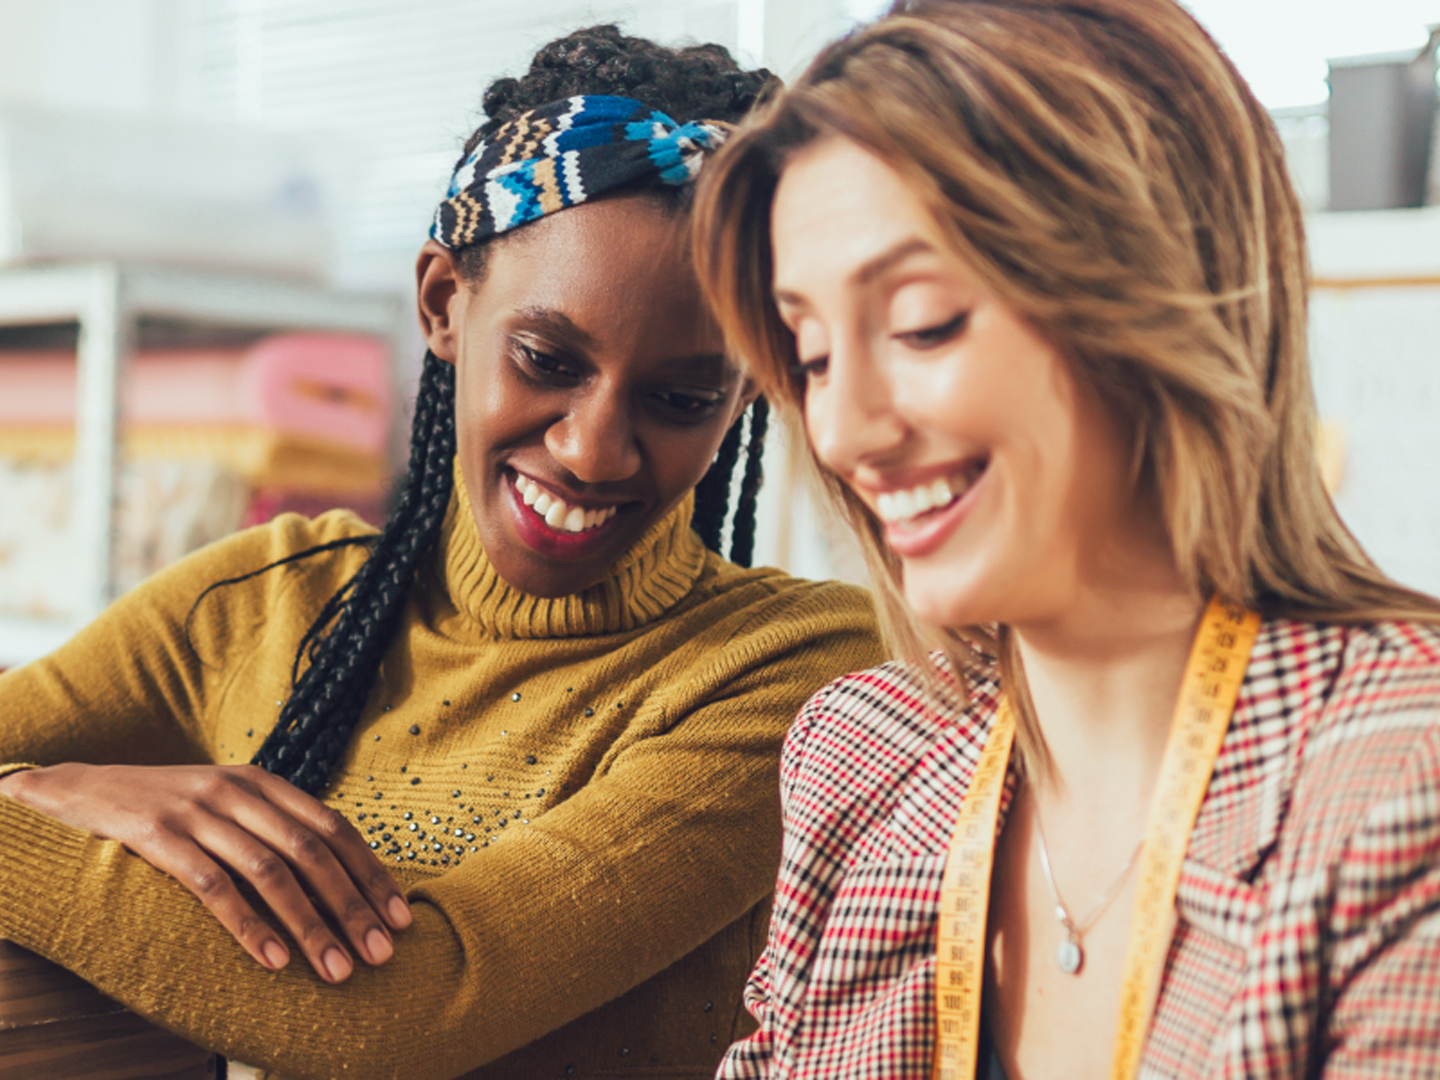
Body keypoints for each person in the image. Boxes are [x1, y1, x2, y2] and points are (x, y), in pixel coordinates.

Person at [0, 25, 882, 1080]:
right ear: (441, 306)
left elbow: (410, 1006)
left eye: (683, 397)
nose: (593, 449)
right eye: (547, 359)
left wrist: (21, 814)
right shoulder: (267, 601)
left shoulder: (796, 675)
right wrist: (45, 789)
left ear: (747, 393)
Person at [694, 0, 1440, 1076]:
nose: (846, 428)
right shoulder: (858, 755)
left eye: (922, 323)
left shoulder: (1398, 782)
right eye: (809, 354)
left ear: (1152, 291)